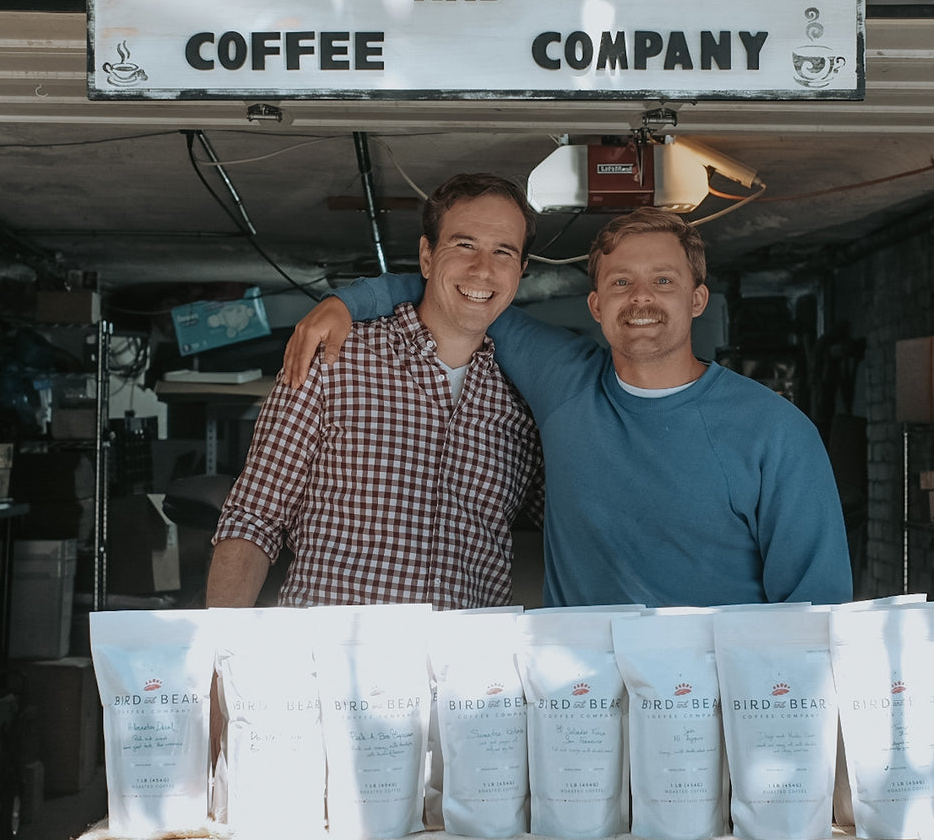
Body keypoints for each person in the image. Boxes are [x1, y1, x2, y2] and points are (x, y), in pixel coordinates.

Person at [283, 206, 851, 608]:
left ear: (697, 298)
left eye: (663, 280)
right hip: (579, 709)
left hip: (713, 716)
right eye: (622, 282)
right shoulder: (564, 380)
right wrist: (345, 303)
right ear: (595, 303)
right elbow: (467, 290)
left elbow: (817, 610)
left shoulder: (776, 433)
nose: (642, 298)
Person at [207, 173, 543, 609]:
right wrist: (220, 662)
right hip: (330, 665)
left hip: (467, 671)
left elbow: (579, 532)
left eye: (503, 251)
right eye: (464, 245)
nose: (483, 269)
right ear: (427, 256)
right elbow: (254, 518)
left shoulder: (525, 401)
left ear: (521, 270)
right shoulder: (335, 359)